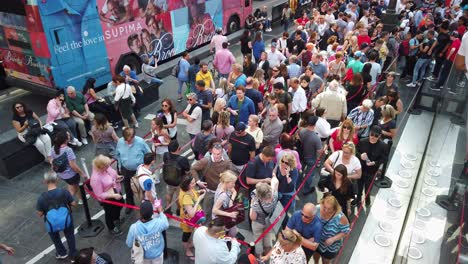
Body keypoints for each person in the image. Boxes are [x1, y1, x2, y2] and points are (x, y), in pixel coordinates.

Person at [36, 171, 77, 260]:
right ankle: (73, 255)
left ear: (45, 181)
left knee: (56, 238)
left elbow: (39, 214)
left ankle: (62, 253)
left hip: (51, 223)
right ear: (57, 180)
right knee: (70, 235)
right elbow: (73, 203)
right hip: (67, 220)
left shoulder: (41, 197)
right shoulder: (64, 192)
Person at [190, 142, 231, 220]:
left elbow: (229, 175)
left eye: (218, 154)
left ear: (222, 152)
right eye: (214, 153)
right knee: (206, 212)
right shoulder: (206, 161)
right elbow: (193, 168)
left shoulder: (226, 162)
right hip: (209, 192)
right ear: (211, 151)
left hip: (221, 192)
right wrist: (198, 181)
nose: (216, 156)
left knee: (219, 213)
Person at [115, 128, 151, 213]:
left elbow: (148, 154)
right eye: (126, 140)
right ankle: (130, 204)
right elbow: (118, 154)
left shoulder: (140, 142)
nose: (127, 142)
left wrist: (146, 168)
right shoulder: (120, 142)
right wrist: (120, 165)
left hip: (138, 170)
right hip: (125, 169)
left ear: (134, 136)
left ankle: (146, 205)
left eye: (129, 140)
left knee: (142, 188)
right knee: (127, 188)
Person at [49, 130, 87, 203]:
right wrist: (82, 173)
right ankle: (65, 204)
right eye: (68, 135)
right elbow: (73, 166)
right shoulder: (68, 150)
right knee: (72, 190)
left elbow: (51, 160)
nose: (70, 136)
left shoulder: (53, 148)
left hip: (61, 174)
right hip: (71, 175)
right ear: (66, 139)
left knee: (76, 185)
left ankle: (81, 199)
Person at [89, 155, 124, 235]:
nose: (109, 166)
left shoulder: (105, 168)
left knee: (119, 205)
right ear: (101, 167)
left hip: (115, 191)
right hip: (108, 198)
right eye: (107, 166)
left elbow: (112, 174)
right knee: (109, 213)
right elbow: (99, 194)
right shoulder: (95, 179)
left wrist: (117, 177)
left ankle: (116, 219)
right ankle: (111, 227)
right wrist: (113, 196)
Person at [356, 126, 388, 207]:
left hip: (372, 171)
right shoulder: (363, 141)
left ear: (379, 136)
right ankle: (358, 199)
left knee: (368, 188)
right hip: (361, 168)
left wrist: (375, 163)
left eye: (376, 136)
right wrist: (360, 155)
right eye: (372, 134)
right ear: (369, 133)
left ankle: (367, 200)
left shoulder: (383, 146)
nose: (373, 137)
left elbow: (384, 159)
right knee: (359, 186)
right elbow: (356, 151)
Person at [313, 195, 350, 264]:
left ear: (334, 208)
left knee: (326, 261)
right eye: (324, 207)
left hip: (330, 246)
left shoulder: (340, 217)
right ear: (322, 203)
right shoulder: (317, 209)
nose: (326, 210)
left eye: (329, 209)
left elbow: (346, 231)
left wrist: (333, 239)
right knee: (316, 255)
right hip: (317, 241)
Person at [250, 177, 279, 256]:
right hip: (268, 221)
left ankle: (259, 257)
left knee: (258, 239)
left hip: (258, 223)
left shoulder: (256, 204)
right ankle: (267, 253)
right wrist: (274, 177)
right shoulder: (274, 197)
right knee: (267, 236)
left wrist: (251, 204)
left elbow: (253, 217)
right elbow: (275, 181)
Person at [178, 176, 206, 260]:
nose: (195, 184)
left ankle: (190, 244)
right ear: (187, 185)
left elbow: (192, 193)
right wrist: (199, 200)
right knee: (186, 235)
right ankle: (187, 250)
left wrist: (198, 192)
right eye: (193, 183)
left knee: (190, 234)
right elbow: (191, 214)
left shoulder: (186, 190)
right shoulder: (186, 197)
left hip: (193, 219)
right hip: (189, 220)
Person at [162, 140, 190, 215]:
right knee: (178, 197)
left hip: (168, 180)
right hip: (179, 182)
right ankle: (178, 210)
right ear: (178, 148)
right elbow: (187, 172)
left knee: (169, 194)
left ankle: (167, 208)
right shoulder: (183, 160)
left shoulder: (165, 155)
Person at [298, 116, 324, 195]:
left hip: (302, 155)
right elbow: (319, 151)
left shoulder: (302, 131)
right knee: (310, 174)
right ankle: (306, 190)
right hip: (311, 157)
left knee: (300, 169)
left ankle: (298, 183)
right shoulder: (316, 138)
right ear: (315, 124)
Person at [212, 170, 239, 237]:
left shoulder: (221, 184)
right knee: (231, 233)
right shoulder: (223, 195)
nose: (234, 185)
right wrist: (229, 214)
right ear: (226, 182)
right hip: (221, 217)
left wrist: (231, 200)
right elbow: (214, 210)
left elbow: (234, 192)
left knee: (232, 231)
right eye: (232, 183)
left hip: (223, 215)